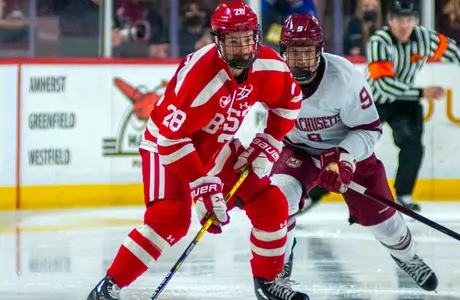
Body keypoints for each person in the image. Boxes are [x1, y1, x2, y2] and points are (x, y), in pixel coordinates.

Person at [86, 2, 309, 300]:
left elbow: (290, 98)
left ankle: (267, 284)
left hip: (216, 146)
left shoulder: (268, 66)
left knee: (272, 205)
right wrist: (201, 186)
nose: (242, 48)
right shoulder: (200, 78)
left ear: (256, 36)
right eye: (233, 40)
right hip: (169, 146)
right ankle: (107, 288)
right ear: (218, 40)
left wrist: (270, 140)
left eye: (247, 38)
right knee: (171, 219)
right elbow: (171, 139)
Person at [270, 13, 438, 292]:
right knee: (279, 200)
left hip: (347, 152)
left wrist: (345, 158)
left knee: (384, 222)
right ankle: (279, 261)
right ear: (282, 52)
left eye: (307, 52)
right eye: (293, 53)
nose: (300, 61)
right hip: (297, 150)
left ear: (320, 50)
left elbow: (370, 129)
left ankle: (406, 256)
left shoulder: (344, 76)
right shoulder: (271, 75)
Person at [366, 0, 460, 211]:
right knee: (354, 145)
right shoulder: (379, 41)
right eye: (399, 19)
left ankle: (403, 194)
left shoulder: (423, 37)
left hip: (405, 99)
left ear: (415, 21)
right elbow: (383, 86)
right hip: (375, 100)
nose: (404, 25)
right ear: (390, 21)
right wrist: (422, 92)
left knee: (413, 145)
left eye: (409, 20)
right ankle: (316, 192)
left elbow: (447, 47)